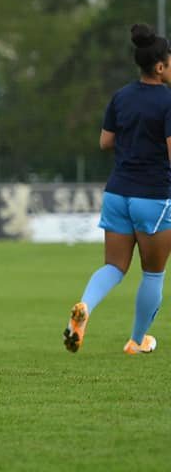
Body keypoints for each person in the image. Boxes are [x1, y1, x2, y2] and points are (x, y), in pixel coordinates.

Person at [64, 23, 171, 355]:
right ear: (159, 66)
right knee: (153, 274)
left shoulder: (121, 96)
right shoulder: (168, 100)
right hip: (153, 196)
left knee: (114, 266)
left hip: (117, 193)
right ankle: (137, 341)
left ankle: (84, 307)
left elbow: (105, 141)